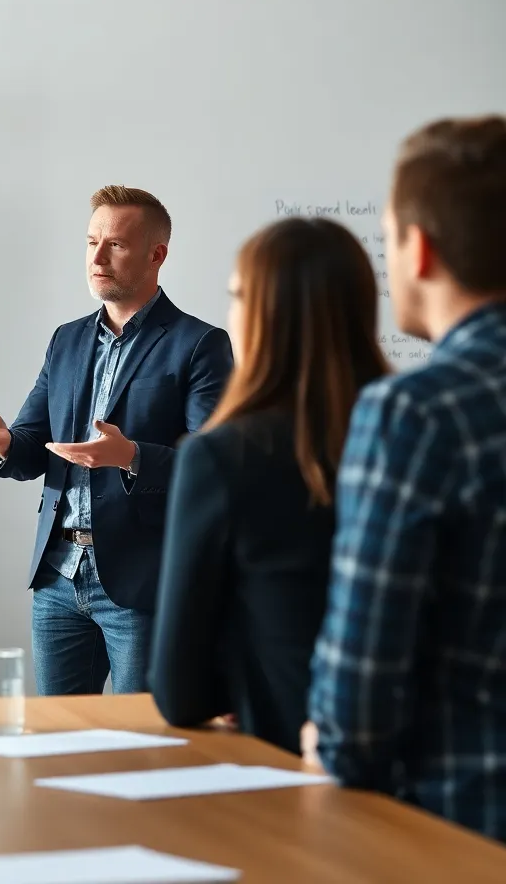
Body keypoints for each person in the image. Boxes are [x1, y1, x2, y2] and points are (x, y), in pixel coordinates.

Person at [0, 186, 232, 695]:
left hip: (142, 582)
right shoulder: (66, 339)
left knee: (136, 746)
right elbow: (36, 444)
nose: (97, 257)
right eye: (91, 241)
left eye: (115, 244)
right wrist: (3, 440)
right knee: (57, 743)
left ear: (156, 254)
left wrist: (132, 456)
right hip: (57, 576)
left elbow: (213, 464)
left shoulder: (200, 344)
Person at [308, 116, 506, 842]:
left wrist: (327, 744)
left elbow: (358, 703)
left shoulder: (414, 413)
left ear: (418, 249)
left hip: (459, 828)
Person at [148, 218, 387, 753]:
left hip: (284, 760)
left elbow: (179, 693)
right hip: (418, 759)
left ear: (261, 315)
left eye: (237, 296)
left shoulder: (222, 454)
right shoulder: (411, 429)